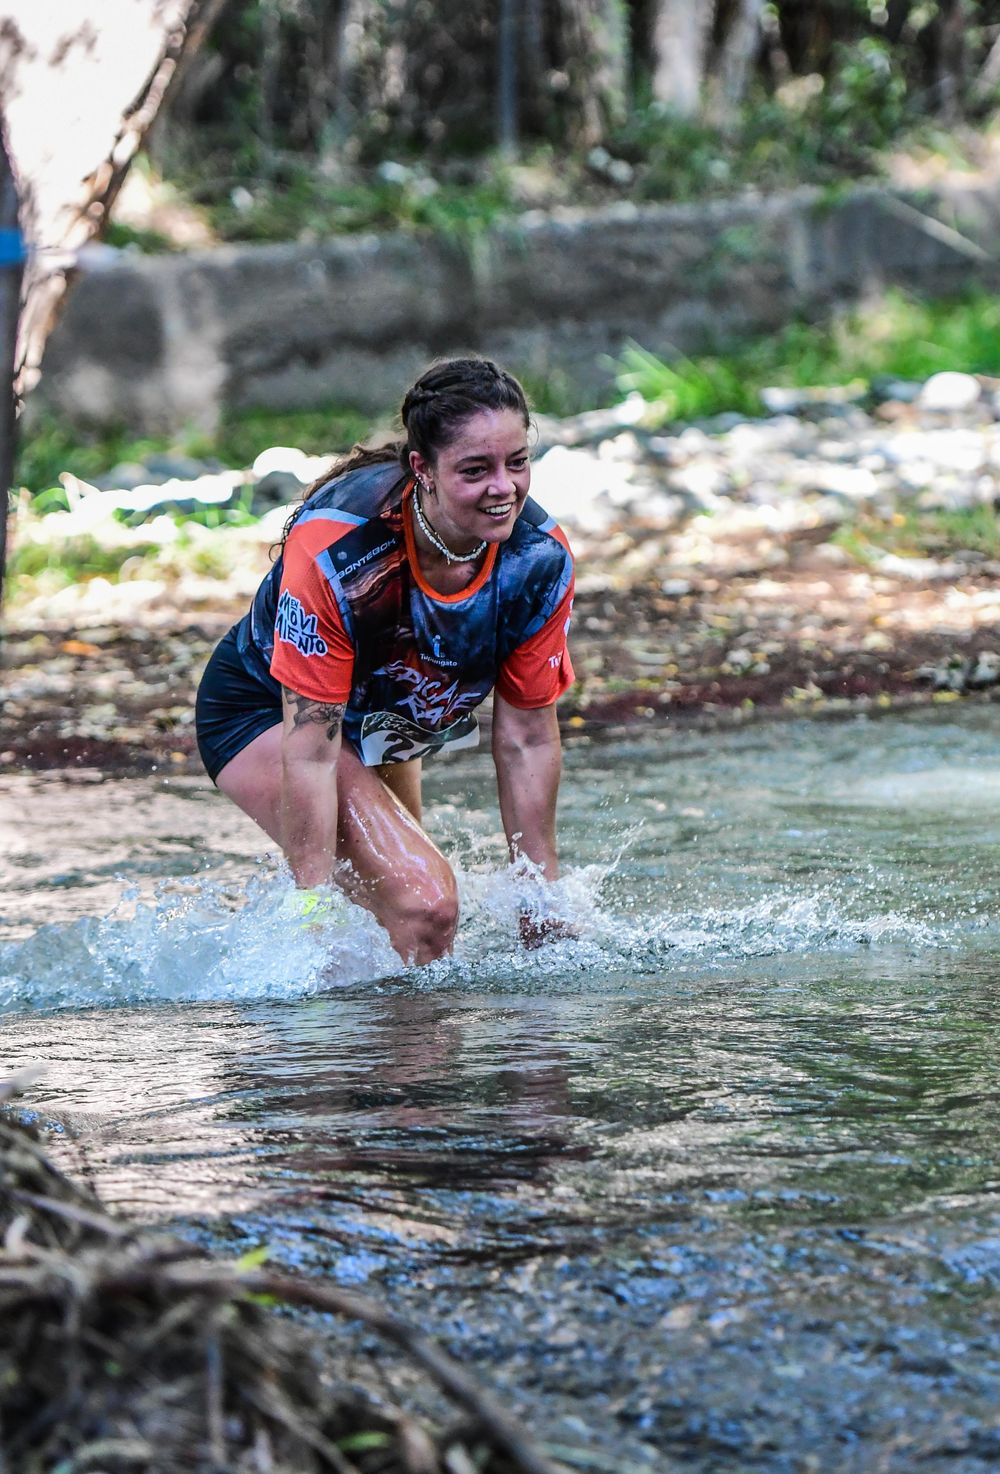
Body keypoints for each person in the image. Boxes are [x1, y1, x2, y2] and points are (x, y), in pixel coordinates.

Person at [195, 357, 575, 966]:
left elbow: (527, 739)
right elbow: (312, 749)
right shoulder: (341, 553)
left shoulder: (538, 560)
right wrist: (310, 909)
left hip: (384, 720)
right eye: (475, 470)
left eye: (517, 462)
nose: (504, 488)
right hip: (269, 713)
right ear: (422, 469)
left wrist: (540, 900)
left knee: (409, 937)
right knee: (424, 905)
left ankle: (391, 1032)